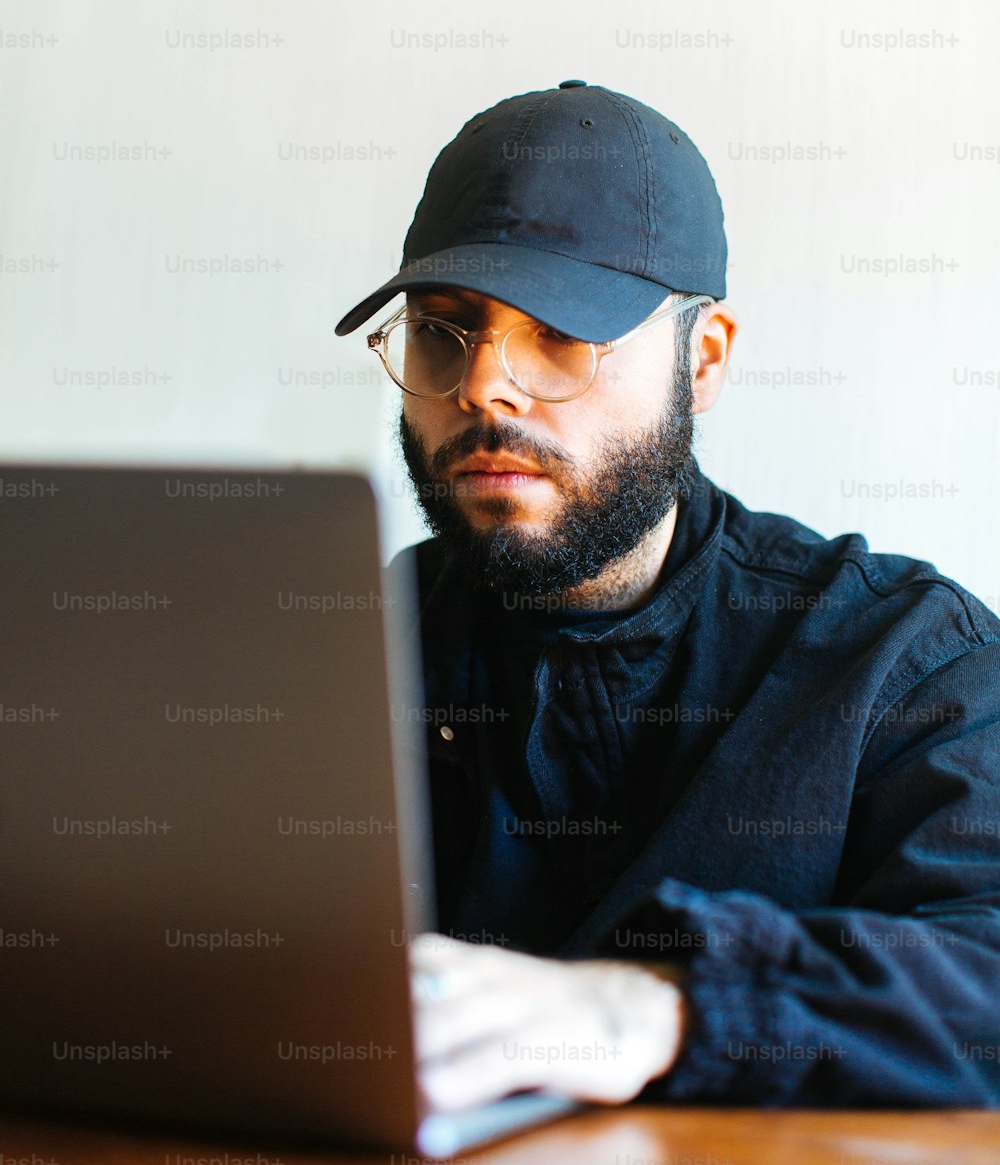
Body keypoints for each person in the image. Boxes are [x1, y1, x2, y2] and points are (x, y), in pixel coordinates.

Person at [335, 80, 1000, 1113]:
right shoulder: (349, 651)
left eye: (561, 330)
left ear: (706, 360)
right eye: (444, 331)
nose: (483, 388)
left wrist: (659, 1008)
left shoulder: (904, 660)